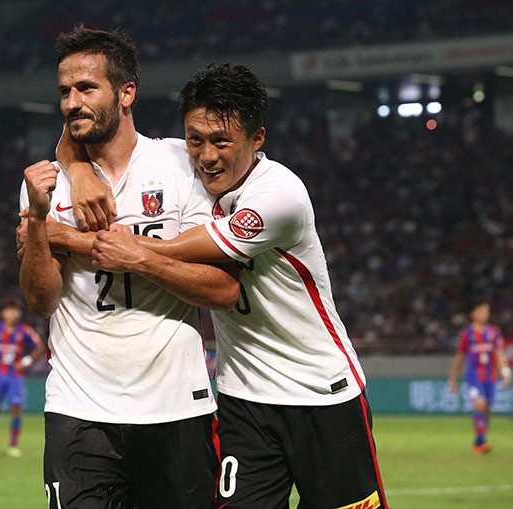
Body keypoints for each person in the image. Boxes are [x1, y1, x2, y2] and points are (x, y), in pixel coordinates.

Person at [85, 63, 390, 509]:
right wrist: (75, 170)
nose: (206, 156)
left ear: (257, 138)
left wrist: (125, 250)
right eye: (195, 140)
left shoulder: (279, 195)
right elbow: (87, 134)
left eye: (222, 141)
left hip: (322, 394)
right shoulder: (187, 172)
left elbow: (193, 247)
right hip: (242, 400)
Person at [18, 25, 239, 509]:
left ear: (126, 93)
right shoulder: (47, 183)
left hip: (176, 406)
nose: (72, 102)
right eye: (64, 91)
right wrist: (37, 220)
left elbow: (222, 289)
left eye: (86, 88)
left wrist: (136, 257)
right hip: (79, 410)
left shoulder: (181, 164)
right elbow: (41, 300)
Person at [0, 296, 44, 458]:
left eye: (15, 311)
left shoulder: (24, 330)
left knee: (16, 409)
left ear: (19, 313)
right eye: (9, 310)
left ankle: (13, 445)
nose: (12, 314)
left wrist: (26, 361)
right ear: (3, 313)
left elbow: (39, 346)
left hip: (15, 376)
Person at [448, 300, 511, 454]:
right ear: (473, 314)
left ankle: (481, 436)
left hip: (490, 376)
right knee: (480, 404)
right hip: (474, 376)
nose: (485, 314)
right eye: (481, 311)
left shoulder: (494, 332)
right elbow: (459, 357)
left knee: (487, 408)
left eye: (487, 311)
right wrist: (453, 378)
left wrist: (505, 371)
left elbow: (499, 353)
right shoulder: (466, 334)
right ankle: (480, 442)